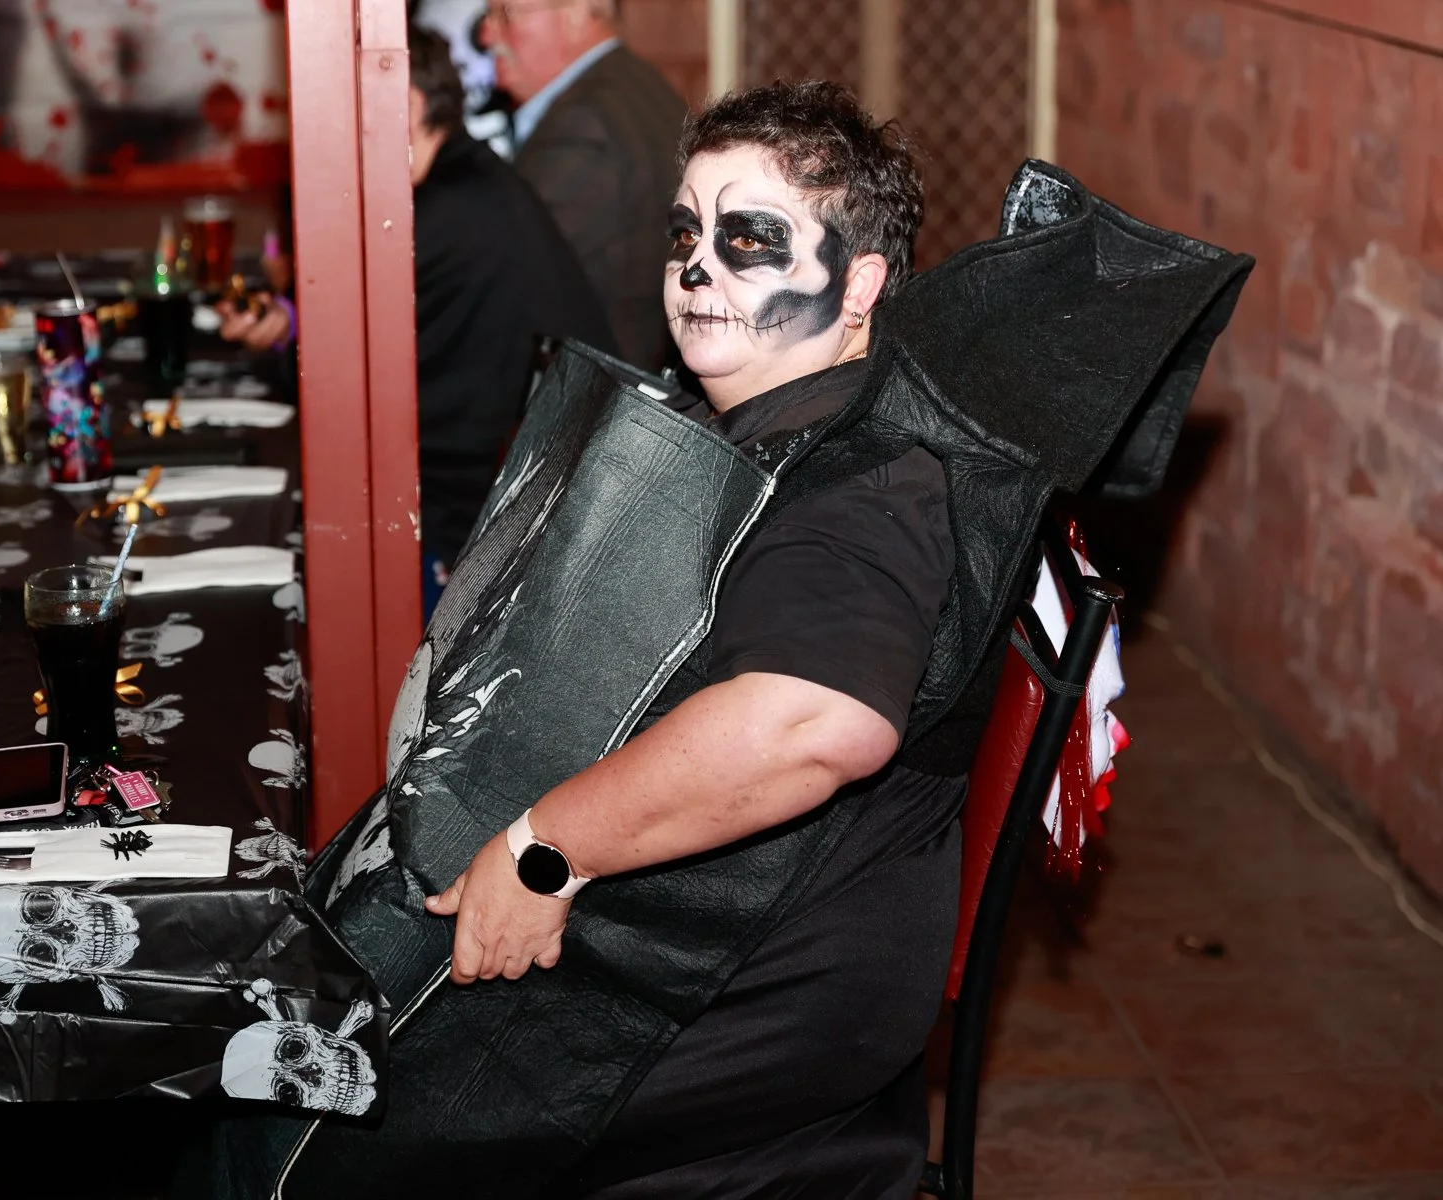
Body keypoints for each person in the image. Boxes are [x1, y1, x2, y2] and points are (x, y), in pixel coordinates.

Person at [199, 79, 1249, 1200]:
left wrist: (545, 848)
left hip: (745, 992)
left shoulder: (864, 487)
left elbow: (810, 723)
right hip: (710, 933)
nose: (699, 269)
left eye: (750, 240)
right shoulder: (774, 425)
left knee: (300, 1126)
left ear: (860, 288)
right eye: (686, 233)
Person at [402, 24, 614, 611]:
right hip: (513, 503)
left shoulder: (445, 205)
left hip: (485, 534)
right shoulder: (464, 177)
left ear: (410, 104)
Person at [483, 0, 684, 373]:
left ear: (577, 13)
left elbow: (502, 281)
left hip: (597, 397)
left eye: (505, 14)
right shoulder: (639, 85)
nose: (485, 34)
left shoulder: (583, 122)